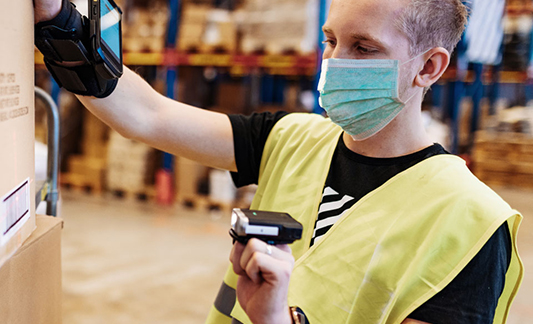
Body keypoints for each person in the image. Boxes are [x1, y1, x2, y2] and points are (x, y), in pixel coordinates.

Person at [34, 0, 524, 323]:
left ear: (429, 67)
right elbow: (147, 116)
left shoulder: (471, 222)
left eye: (364, 48)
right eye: (331, 41)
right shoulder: (290, 138)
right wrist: (59, 21)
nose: (334, 62)